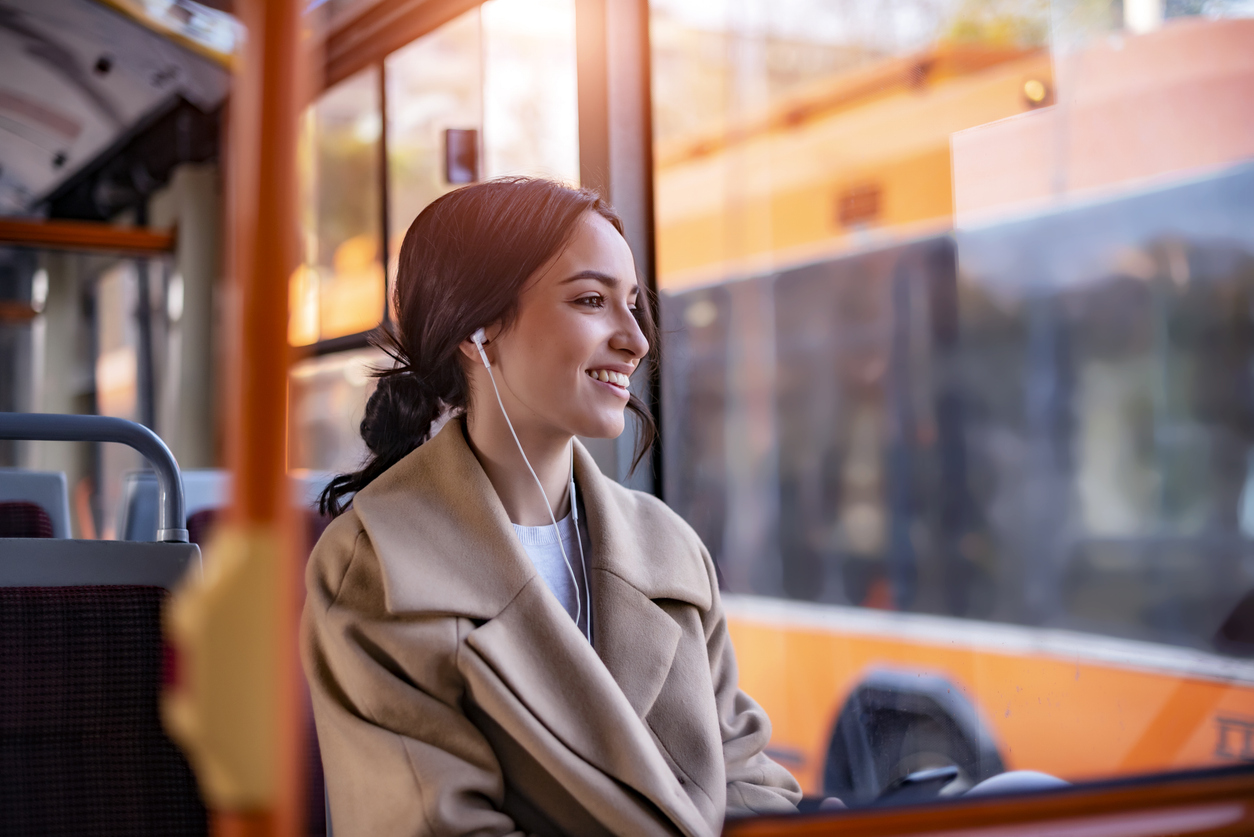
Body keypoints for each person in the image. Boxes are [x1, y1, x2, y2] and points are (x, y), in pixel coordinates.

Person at [302, 177, 802, 836]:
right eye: (592, 300)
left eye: (634, 305)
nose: (636, 340)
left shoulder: (668, 548)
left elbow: (747, 781)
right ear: (475, 326)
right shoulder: (377, 567)